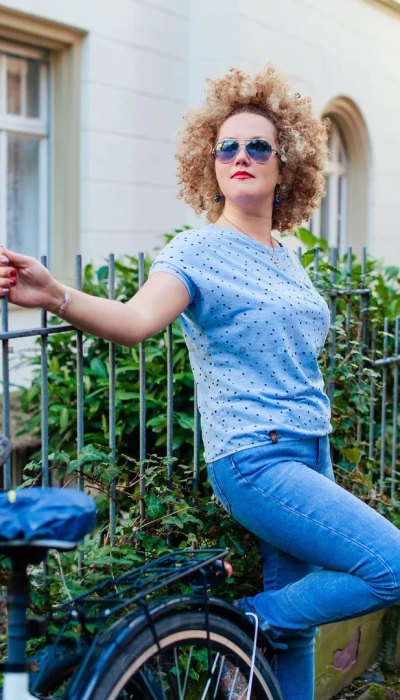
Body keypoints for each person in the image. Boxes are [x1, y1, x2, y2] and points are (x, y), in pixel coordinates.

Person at [1, 63, 400, 700]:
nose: (241, 157)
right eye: (227, 147)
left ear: (286, 164)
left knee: (296, 633)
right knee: (390, 567)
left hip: (309, 450)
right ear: (209, 163)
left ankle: (262, 629)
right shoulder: (196, 251)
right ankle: (246, 620)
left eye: (258, 147)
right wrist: (55, 296)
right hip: (256, 456)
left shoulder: (289, 254)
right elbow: (135, 321)